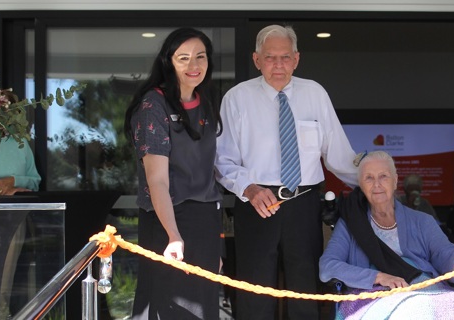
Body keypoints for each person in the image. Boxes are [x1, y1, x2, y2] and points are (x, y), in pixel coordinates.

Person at [214, 24, 358, 319]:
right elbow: (222, 160)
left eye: (285, 57)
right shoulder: (237, 98)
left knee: (305, 289)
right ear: (256, 60)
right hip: (255, 204)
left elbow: (339, 154)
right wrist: (250, 189)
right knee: (254, 291)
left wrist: (372, 182)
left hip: (303, 205)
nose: (278, 65)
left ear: (296, 58)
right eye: (270, 57)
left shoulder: (314, 93)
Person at [124, 27, 224, 319]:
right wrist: (174, 236)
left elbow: (209, 174)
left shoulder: (206, 102)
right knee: (169, 305)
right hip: (167, 219)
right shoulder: (153, 105)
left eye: (200, 57)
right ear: (168, 62)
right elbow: (157, 180)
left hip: (204, 221)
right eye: (184, 58)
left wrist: (213, 247)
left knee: (203, 308)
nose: (194, 66)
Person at [319, 151, 454, 320]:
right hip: (370, 292)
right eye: (369, 178)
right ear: (361, 184)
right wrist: (378, 277)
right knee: (412, 310)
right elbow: (328, 265)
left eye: (383, 176)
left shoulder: (422, 221)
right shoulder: (349, 224)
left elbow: (445, 252)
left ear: (395, 181)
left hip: (422, 285)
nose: (377, 184)